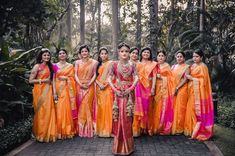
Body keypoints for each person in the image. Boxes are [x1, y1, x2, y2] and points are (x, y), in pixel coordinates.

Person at [108, 43, 138, 155]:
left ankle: (128, 146)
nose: (124, 53)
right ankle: (118, 146)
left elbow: (136, 77)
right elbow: (109, 78)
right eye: (122, 51)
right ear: (118, 52)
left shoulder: (133, 65)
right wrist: (114, 89)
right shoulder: (114, 64)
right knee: (118, 117)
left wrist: (130, 88)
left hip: (129, 94)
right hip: (118, 93)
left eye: (126, 51)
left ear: (129, 53)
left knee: (128, 118)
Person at [184, 49, 214, 140]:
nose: (194, 58)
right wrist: (188, 76)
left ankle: (198, 130)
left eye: (197, 56)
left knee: (196, 110)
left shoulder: (203, 67)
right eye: (193, 56)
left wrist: (192, 78)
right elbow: (187, 75)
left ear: (201, 57)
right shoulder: (192, 65)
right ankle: (191, 129)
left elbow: (204, 82)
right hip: (192, 90)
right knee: (190, 109)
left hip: (199, 93)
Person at [29, 48, 57, 142]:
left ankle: (48, 134)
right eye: (44, 55)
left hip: (48, 91)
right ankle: (41, 134)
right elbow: (30, 80)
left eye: (48, 55)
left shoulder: (51, 66)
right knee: (41, 112)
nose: (47, 57)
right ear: (41, 56)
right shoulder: (37, 66)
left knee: (49, 111)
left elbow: (53, 80)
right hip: (39, 91)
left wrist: (55, 93)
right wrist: (43, 80)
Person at [132, 47, 158, 136]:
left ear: (150, 54)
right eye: (144, 52)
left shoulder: (153, 64)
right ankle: (139, 128)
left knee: (148, 107)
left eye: (148, 52)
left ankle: (148, 128)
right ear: (141, 54)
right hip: (139, 87)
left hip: (148, 87)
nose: (146, 54)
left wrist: (153, 88)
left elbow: (154, 76)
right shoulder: (137, 64)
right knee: (139, 107)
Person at [53, 49, 77, 139]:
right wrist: (54, 92)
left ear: (66, 55)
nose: (62, 55)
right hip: (59, 90)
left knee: (66, 108)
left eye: (63, 53)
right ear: (58, 56)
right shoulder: (54, 66)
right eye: (60, 53)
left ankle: (68, 130)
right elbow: (53, 79)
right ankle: (59, 131)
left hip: (67, 90)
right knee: (59, 109)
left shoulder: (70, 66)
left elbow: (73, 78)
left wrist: (67, 78)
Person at [75, 45, 98, 137]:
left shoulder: (94, 62)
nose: (84, 53)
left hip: (90, 86)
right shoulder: (77, 62)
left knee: (87, 105)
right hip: (79, 86)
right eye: (82, 52)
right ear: (80, 54)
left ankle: (89, 129)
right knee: (80, 105)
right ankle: (80, 129)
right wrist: (80, 84)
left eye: (86, 51)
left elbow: (95, 74)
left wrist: (89, 83)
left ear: (89, 52)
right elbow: (75, 74)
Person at [152, 50, 174, 135]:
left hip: (164, 89)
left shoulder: (167, 66)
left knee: (162, 107)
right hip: (156, 88)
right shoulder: (154, 65)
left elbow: (171, 79)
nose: (160, 57)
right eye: (159, 56)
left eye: (162, 56)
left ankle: (161, 126)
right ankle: (154, 125)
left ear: (165, 57)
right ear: (157, 57)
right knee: (155, 106)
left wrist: (161, 77)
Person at [95, 47, 113, 137]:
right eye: (102, 53)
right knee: (101, 109)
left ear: (108, 54)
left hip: (108, 87)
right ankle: (101, 130)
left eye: (105, 53)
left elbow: (112, 76)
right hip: (99, 89)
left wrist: (105, 84)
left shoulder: (111, 63)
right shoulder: (97, 65)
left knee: (108, 108)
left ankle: (109, 130)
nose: (104, 55)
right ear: (99, 55)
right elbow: (94, 77)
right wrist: (99, 84)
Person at [171, 51, 189, 134]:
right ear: (175, 57)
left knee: (181, 108)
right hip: (173, 89)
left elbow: (185, 79)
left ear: (184, 58)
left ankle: (179, 128)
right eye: (178, 56)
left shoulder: (187, 67)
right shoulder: (173, 66)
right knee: (173, 107)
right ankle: (172, 126)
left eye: (181, 56)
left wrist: (177, 88)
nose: (179, 58)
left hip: (182, 89)